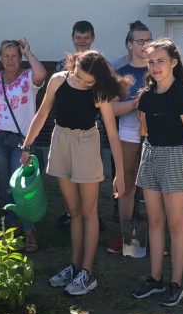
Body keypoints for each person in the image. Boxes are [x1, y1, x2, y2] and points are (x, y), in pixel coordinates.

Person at [20, 50, 128, 296]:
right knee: (74, 211)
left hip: (87, 144)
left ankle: (87, 273)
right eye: (79, 76)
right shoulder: (58, 80)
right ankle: (74, 267)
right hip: (60, 141)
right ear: (73, 65)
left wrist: (119, 174)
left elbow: (113, 135)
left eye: (88, 81)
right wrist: (27, 146)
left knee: (89, 212)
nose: (82, 82)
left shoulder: (100, 91)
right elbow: (42, 113)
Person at [133, 39, 183, 306]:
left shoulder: (181, 95)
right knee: (155, 222)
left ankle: (176, 284)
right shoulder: (146, 96)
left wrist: (180, 161)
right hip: (151, 156)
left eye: (160, 61)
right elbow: (144, 131)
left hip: (176, 158)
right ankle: (155, 279)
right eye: (151, 61)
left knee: (176, 224)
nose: (155, 66)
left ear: (173, 62)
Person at [0, 39, 46, 253]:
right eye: (6, 56)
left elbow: (41, 74)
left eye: (14, 56)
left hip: (21, 141)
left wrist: (29, 52)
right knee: (5, 186)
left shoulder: (28, 77)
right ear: (0, 58)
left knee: (20, 187)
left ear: (20, 59)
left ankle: (29, 231)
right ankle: (11, 230)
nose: (10, 59)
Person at [107, 21, 152, 254]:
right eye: (140, 41)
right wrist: (135, 103)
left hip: (155, 139)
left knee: (154, 191)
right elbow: (111, 109)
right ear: (129, 44)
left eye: (149, 40)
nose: (146, 45)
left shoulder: (158, 69)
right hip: (128, 138)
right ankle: (126, 236)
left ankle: (154, 237)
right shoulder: (120, 72)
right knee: (126, 189)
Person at [54, 20, 96, 229]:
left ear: (92, 39)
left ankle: (91, 215)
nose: (82, 41)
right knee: (67, 175)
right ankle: (69, 212)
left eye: (86, 37)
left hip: (91, 129)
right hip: (66, 128)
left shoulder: (99, 64)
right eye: (78, 37)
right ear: (72, 38)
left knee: (89, 177)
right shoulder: (62, 65)